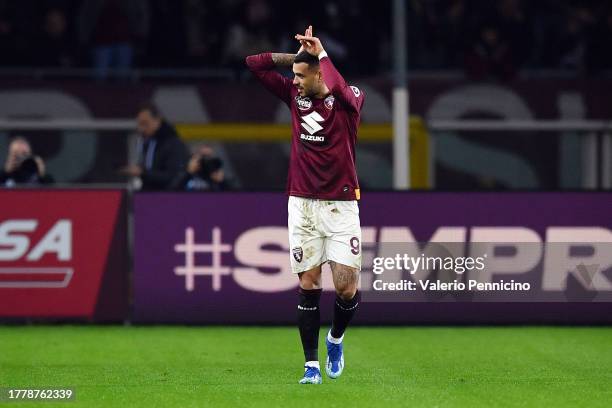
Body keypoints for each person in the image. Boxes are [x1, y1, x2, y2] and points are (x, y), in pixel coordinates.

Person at [246, 25, 365, 384]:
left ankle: (336, 339)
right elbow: (254, 64)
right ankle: (310, 366)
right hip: (301, 204)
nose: (294, 81)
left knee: (346, 287)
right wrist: (297, 56)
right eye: (293, 76)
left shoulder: (348, 99)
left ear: (319, 73)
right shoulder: (294, 96)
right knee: (309, 283)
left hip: (341, 205)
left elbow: (342, 87)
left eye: (301, 75)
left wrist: (321, 54)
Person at [120, 103, 189, 191]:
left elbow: (174, 177)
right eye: (139, 124)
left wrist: (142, 173)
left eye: (145, 123)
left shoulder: (174, 144)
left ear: (157, 120)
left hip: (168, 199)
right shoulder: (147, 143)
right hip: (149, 197)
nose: (141, 129)